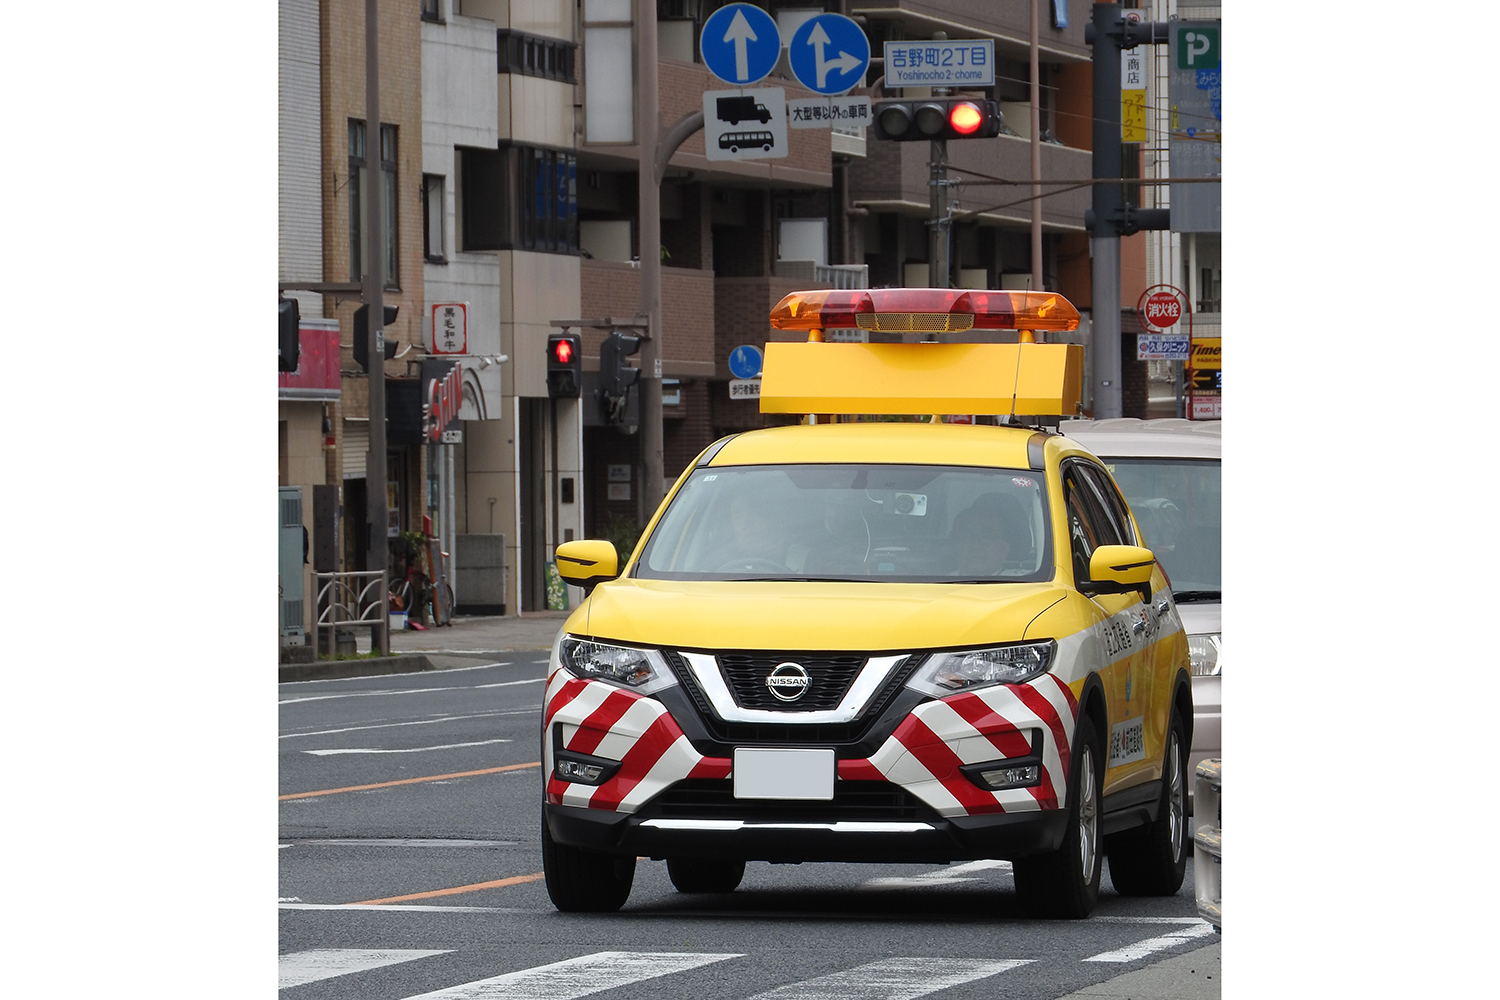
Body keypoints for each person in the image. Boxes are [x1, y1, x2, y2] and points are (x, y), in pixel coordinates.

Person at [951, 494, 1029, 578]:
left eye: (986, 537)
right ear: (954, 545)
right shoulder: (937, 586)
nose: (976, 546)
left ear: (1005, 548)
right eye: (966, 536)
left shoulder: (1031, 586)